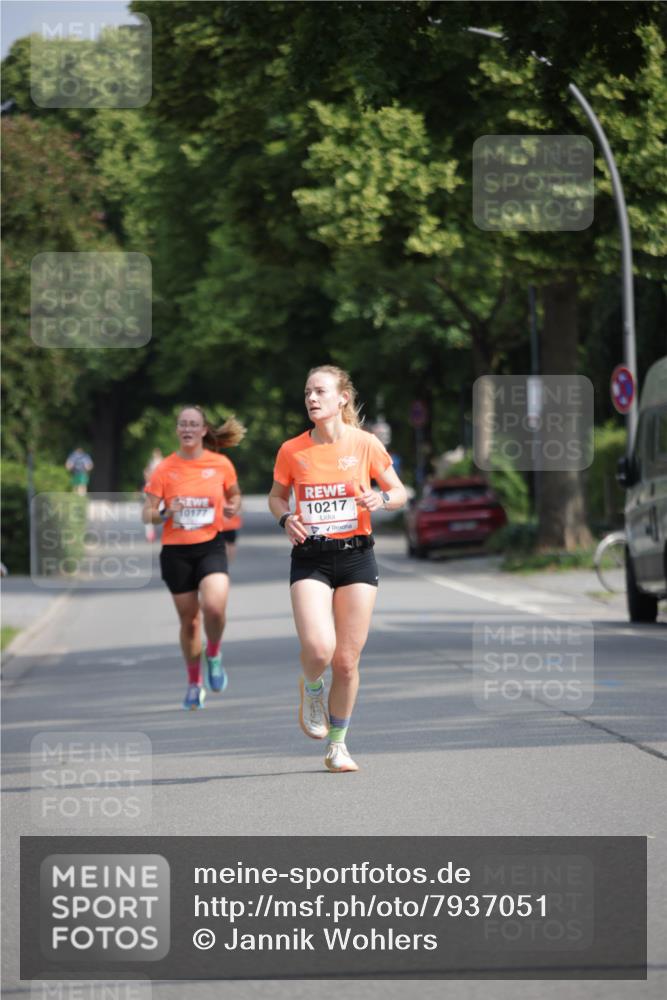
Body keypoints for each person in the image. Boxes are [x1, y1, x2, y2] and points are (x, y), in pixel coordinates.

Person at [268, 365, 407, 773]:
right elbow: (276, 496)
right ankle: (311, 688)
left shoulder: (365, 444)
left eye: (320, 392)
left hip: (356, 556)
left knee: (346, 661)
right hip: (310, 556)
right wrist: (284, 518)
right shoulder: (292, 450)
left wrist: (382, 499)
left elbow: (398, 491)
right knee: (319, 649)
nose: (311, 399)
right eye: (308, 392)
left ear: (341, 398)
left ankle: (338, 745)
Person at [143, 407, 244, 710]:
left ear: (203, 431)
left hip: (210, 545)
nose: (187, 428)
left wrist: (232, 508)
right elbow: (146, 512)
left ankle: (213, 653)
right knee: (189, 622)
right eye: (183, 424)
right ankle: (193, 682)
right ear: (178, 430)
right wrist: (165, 512)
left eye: (193, 424)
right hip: (176, 552)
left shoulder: (220, 464)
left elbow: (235, 495)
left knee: (214, 607)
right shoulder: (165, 469)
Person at [143, 449, 164, 543]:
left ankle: (163, 533)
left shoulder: (163, 462)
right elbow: (146, 473)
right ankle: (150, 534)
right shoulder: (151, 463)